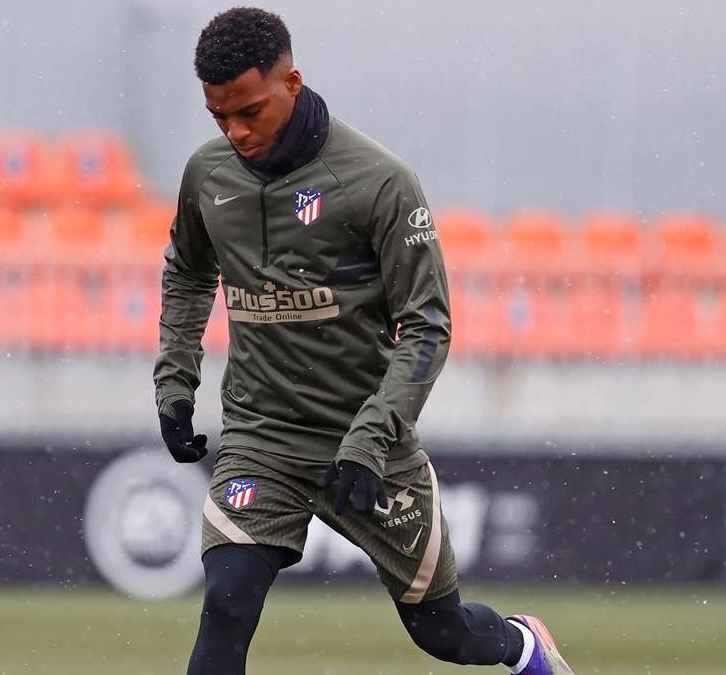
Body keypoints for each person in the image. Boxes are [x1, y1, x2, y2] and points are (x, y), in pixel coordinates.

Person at [153, 7, 574, 675]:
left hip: (371, 446)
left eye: (250, 112)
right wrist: (176, 381)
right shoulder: (208, 176)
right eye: (219, 118)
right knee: (226, 605)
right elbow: (187, 269)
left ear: (292, 81)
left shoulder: (380, 181)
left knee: (444, 633)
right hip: (262, 440)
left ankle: (522, 644)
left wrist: (370, 438)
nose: (235, 132)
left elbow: (428, 325)